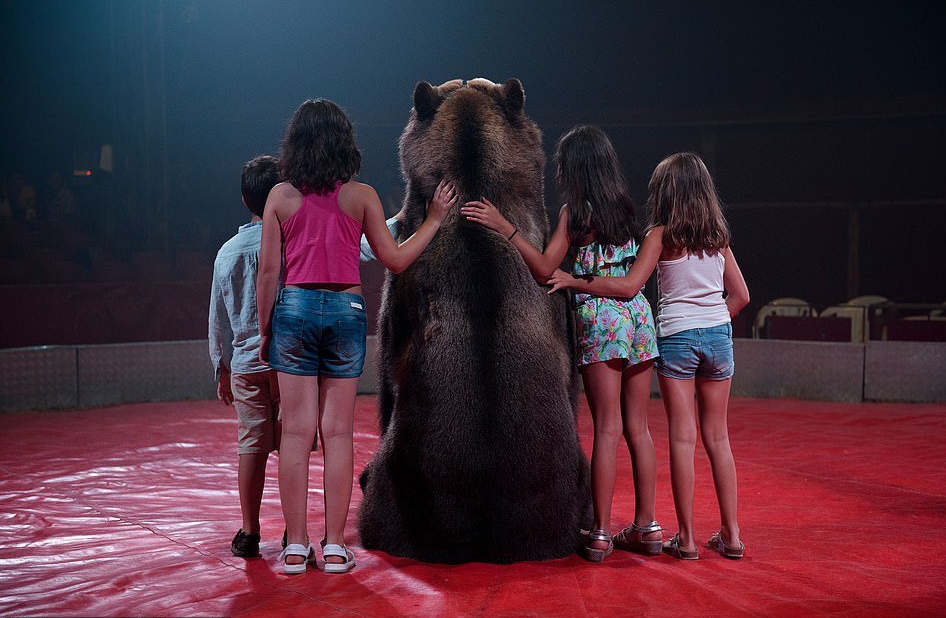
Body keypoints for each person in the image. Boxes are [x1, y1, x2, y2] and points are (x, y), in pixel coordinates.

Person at [257, 98, 457, 574]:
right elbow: (396, 260)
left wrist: (266, 332)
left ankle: (295, 547)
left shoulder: (280, 197)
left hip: (294, 310)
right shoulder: (362, 196)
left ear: (295, 143)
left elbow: (268, 273)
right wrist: (433, 219)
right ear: (345, 143)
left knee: (295, 434)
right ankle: (333, 546)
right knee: (338, 433)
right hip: (346, 313)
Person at [461, 125, 664, 562]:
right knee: (639, 429)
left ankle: (601, 533)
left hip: (603, 318)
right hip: (639, 318)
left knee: (607, 427)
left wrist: (505, 227)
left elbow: (543, 269)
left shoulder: (576, 214)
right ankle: (647, 527)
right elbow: (631, 279)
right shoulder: (627, 211)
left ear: (573, 169)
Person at [546, 152, 750, 560]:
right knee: (718, 437)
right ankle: (731, 536)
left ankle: (687, 540)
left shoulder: (659, 235)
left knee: (683, 437)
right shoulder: (718, 239)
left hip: (677, 338)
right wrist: (712, 320)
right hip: (718, 337)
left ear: (665, 193)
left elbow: (629, 286)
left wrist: (576, 280)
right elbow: (741, 296)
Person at [208, 155, 283, 558]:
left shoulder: (226, 253)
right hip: (290, 362)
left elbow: (217, 317)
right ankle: (295, 532)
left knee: (251, 447)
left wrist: (220, 367)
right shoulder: (291, 242)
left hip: (245, 364)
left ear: (244, 199)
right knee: (291, 445)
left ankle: (250, 531)